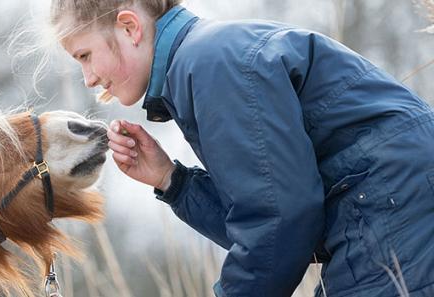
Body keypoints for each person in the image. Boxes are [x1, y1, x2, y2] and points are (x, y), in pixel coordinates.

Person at [49, 0, 434, 296]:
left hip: (392, 209)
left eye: (85, 55)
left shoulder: (211, 65)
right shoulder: (202, 63)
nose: (88, 78)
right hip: (384, 211)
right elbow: (267, 217)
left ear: (130, 27)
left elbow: (280, 217)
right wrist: (171, 180)